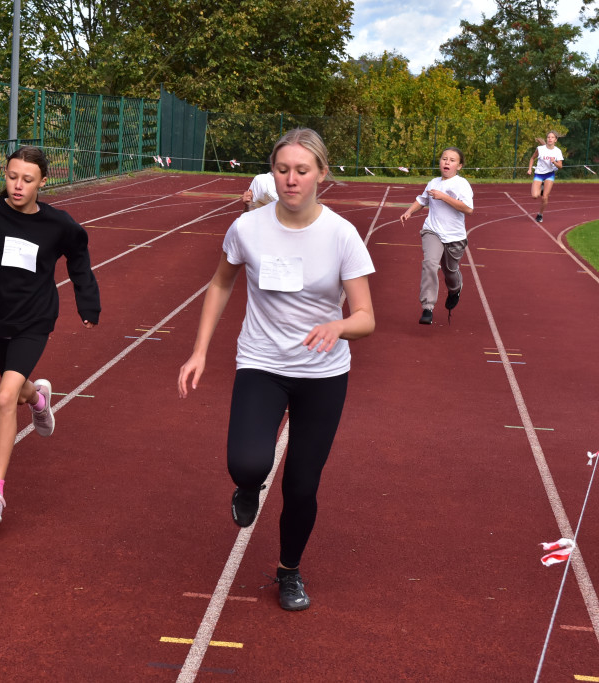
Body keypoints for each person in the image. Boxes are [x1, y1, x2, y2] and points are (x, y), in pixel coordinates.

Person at [177, 128, 375, 612]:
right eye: (282, 170)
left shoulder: (341, 235)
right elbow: (221, 284)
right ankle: (248, 485)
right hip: (262, 361)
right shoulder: (248, 228)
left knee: (302, 484)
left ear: (321, 175)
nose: (291, 180)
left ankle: (289, 571)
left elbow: (367, 317)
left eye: (302, 171)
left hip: (324, 373)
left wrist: (340, 325)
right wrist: (200, 350)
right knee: (247, 461)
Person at [0, 146, 101, 523]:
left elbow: (79, 256)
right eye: (12, 177)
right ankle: (38, 398)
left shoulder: (57, 224)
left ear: (43, 182)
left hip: (34, 319)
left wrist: (88, 302)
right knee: (16, 390)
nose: (18, 186)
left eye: (27, 180)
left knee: (3, 398)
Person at [399, 147, 474, 325]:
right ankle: (427, 307)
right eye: (444, 159)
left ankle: (455, 289)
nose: (447, 162)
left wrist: (444, 197)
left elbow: (468, 209)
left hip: (455, 236)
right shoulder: (433, 183)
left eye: (452, 160)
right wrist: (409, 211)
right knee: (430, 264)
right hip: (432, 231)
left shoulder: (461, 184)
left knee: (450, 271)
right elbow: (422, 200)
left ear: (459, 166)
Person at [527, 131, 563, 223]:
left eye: (552, 137)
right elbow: (532, 158)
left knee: (545, 197)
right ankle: (541, 187)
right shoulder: (540, 149)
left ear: (556, 140)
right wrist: (530, 169)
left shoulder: (557, 151)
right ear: (547, 139)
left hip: (549, 174)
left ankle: (540, 214)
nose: (550, 139)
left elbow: (560, 166)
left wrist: (554, 162)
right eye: (548, 137)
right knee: (535, 196)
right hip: (539, 174)